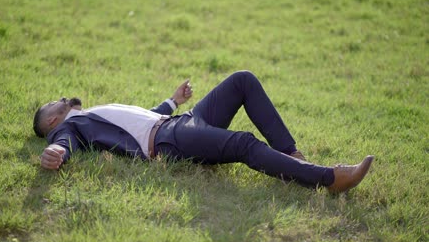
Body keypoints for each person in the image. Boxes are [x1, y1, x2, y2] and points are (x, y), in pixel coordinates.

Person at [33, 71, 374, 193]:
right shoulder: (70, 126)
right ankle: (327, 179)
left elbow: (141, 117)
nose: (61, 99)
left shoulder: (92, 114)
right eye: (54, 103)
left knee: (243, 80)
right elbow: (64, 143)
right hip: (168, 141)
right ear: (51, 121)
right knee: (243, 143)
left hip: (178, 123)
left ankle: (292, 157)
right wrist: (58, 152)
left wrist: (172, 100)